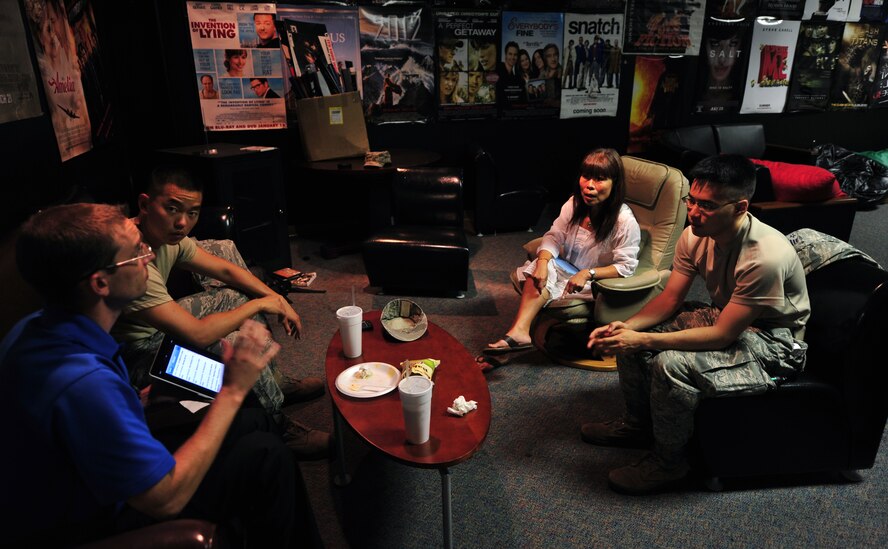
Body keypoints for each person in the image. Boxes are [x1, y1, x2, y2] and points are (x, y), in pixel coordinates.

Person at [0, 203, 317, 546]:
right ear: (101, 282)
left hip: (87, 473)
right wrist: (233, 390)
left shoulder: (34, 328)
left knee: (254, 420)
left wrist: (131, 404)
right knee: (268, 457)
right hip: (91, 517)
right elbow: (164, 499)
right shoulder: (83, 384)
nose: (149, 258)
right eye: (136, 253)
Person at [584, 155, 810, 495]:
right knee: (635, 336)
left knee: (670, 362)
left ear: (739, 207)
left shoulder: (765, 256)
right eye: (691, 200)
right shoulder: (695, 235)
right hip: (729, 315)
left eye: (706, 205)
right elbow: (670, 299)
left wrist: (643, 341)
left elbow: (723, 335)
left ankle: (669, 463)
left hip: (775, 343)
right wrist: (626, 328)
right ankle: (638, 426)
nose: (693, 212)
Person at [110, 167, 329, 459]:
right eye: (172, 209)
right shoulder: (131, 257)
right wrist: (262, 304)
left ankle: (274, 382)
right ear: (146, 204)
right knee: (239, 344)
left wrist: (275, 296)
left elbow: (226, 269)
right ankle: (278, 427)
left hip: (157, 329)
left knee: (236, 295)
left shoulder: (168, 238)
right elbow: (198, 335)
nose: (182, 223)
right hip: (137, 356)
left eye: (192, 213)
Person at [483, 149, 641, 360]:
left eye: (600, 179)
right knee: (541, 265)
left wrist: (588, 273)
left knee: (544, 270)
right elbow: (554, 235)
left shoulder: (625, 222)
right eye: (586, 176)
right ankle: (519, 332)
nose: (590, 185)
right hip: (564, 269)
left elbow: (625, 268)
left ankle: (517, 337)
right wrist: (542, 262)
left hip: (594, 286)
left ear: (615, 184)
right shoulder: (575, 203)